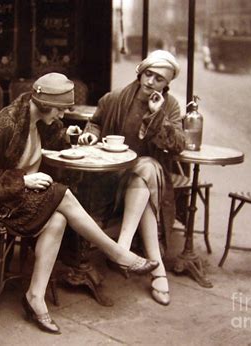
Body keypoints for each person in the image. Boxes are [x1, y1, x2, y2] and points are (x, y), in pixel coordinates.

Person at [0, 72, 159, 334]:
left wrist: (69, 135)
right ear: (43, 103)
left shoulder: (40, 119)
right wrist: (24, 181)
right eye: (60, 110)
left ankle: (35, 297)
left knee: (60, 216)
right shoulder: (6, 123)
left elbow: (51, 142)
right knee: (61, 194)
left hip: (20, 199)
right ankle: (117, 253)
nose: (62, 116)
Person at [78, 50, 186, 306]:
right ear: (140, 72)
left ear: (166, 84)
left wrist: (158, 115)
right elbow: (95, 122)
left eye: (159, 79)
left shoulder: (169, 105)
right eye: (148, 74)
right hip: (112, 177)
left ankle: (122, 247)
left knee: (146, 168)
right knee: (144, 183)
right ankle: (157, 270)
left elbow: (178, 145)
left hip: (148, 177)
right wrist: (90, 135)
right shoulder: (115, 98)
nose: (151, 82)